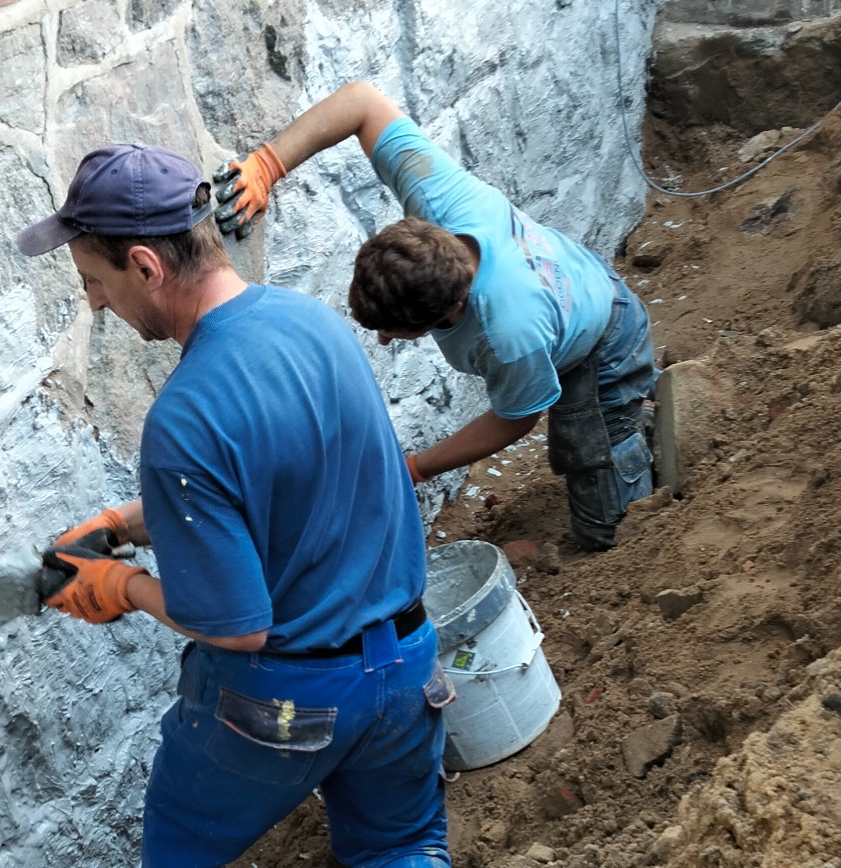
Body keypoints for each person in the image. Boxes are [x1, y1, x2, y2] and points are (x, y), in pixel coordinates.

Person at [13, 142, 452, 868]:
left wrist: (121, 587)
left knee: (181, 838)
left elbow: (235, 626)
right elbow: (298, 477)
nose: (93, 305)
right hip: (405, 667)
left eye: (92, 281)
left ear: (145, 266)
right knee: (401, 838)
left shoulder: (182, 421)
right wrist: (137, 521)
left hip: (287, 701)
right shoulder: (310, 321)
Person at [219, 82, 658, 550]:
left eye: (395, 332)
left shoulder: (508, 335)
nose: (385, 342)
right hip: (572, 293)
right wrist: (267, 165)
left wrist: (417, 467)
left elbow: (517, 417)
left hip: (604, 342)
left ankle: (635, 431)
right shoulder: (435, 202)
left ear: (451, 309)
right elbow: (361, 104)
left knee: (607, 528)